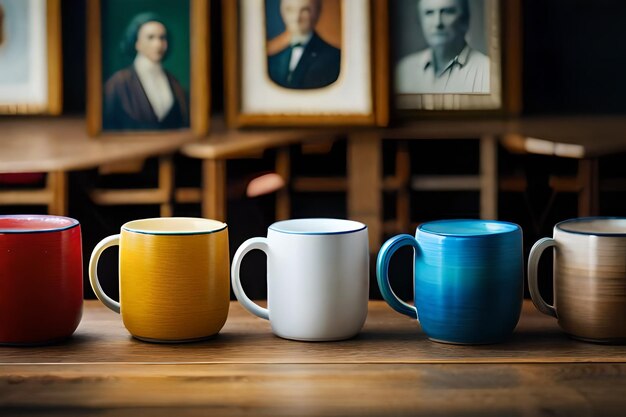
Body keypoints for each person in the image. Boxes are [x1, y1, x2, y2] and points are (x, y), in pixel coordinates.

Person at [103, 13, 189, 131]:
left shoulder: (174, 83)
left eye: (162, 38)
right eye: (150, 37)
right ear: (136, 43)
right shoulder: (118, 83)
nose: (158, 44)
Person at [396, 0, 490, 94]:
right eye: (429, 13)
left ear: (464, 20)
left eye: (447, 12)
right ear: (420, 20)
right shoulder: (404, 70)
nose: (437, 23)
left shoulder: (488, 72)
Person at [267, 0, 340, 90]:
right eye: (290, 10)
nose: (296, 18)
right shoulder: (274, 60)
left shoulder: (335, 57)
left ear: (317, 12)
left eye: (305, 10)